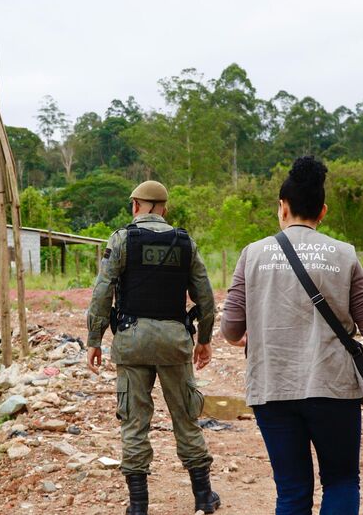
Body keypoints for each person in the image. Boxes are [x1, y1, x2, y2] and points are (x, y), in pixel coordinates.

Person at [220, 156, 363, 515]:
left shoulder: (252, 255)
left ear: (282, 208)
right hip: (333, 389)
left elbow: (231, 328)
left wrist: (249, 335)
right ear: (323, 211)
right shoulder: (343, 255)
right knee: (341, 481)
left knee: (292, 491)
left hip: (272, 388)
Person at [86, 180, 221, 515]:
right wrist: (204, 339)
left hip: (131, 342)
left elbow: (102, 293)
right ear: (165, 208)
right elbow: (205, 297)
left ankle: (138, 506)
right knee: (186, 417)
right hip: (175, 341)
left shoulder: (121, 240)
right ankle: (203, 497)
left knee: (134, 422)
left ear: (135, 205)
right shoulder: (185, 243)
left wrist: (94, 339)